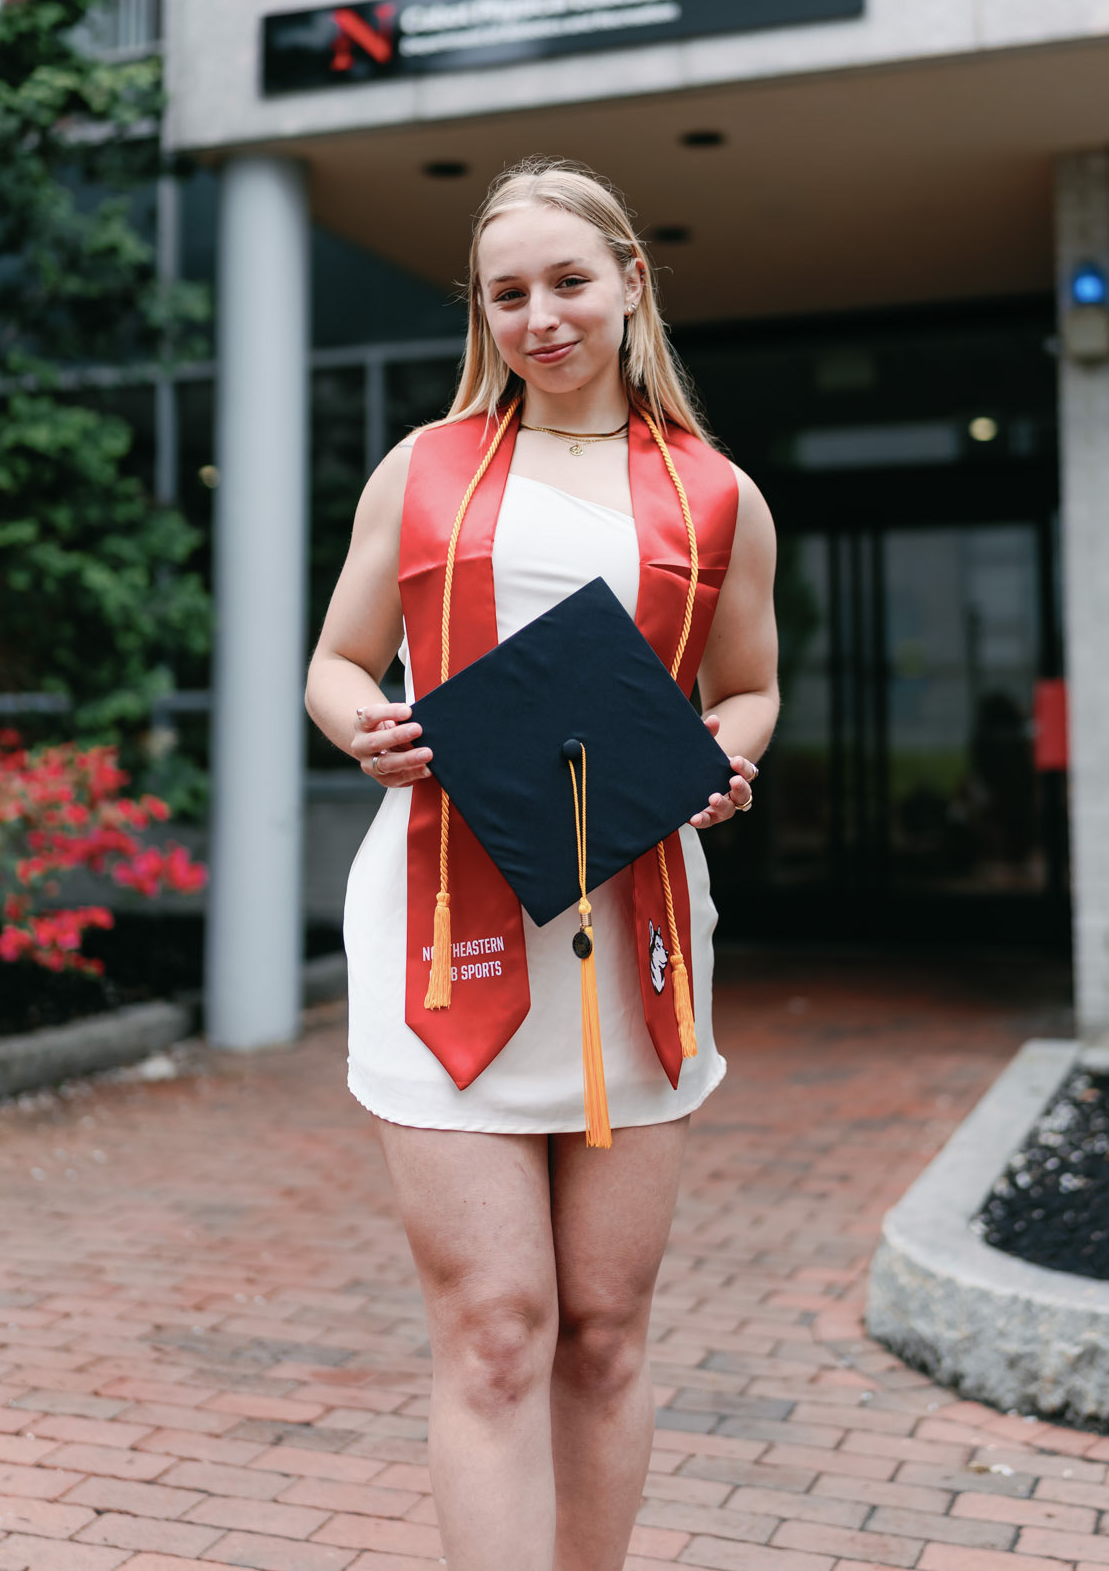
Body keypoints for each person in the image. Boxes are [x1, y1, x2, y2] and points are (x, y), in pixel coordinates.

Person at [305, 159, 779, 1571]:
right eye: (506, 293)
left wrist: (726, 759)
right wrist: (367, 729)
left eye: (568, 281)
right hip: (446, 916)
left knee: (606, 1332)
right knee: (498, 1327)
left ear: (631, 281)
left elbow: (749, 687)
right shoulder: (425, 469)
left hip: (633, 934)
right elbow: (336, 664)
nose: (541, 317)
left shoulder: (715, 496)